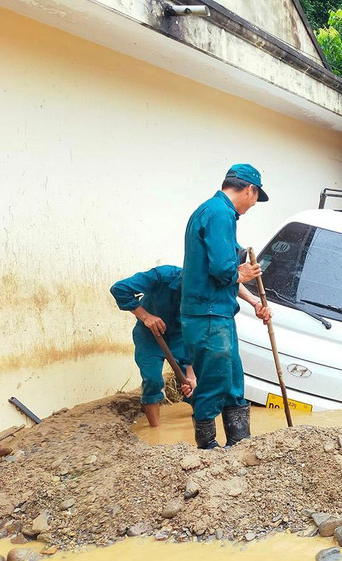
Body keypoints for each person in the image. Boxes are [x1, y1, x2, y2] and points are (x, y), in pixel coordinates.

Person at [181, 164, 273, 450]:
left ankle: (239, 445)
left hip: (218, 313)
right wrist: (242, 272)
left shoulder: (214, 212)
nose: (253, 204)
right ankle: (207, 451)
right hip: (208, 316)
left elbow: (226, 274)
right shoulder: (220, 213)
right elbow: (223, 270)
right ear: (250, 189)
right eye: (255, 197)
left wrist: (254, 299)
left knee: (233, 382)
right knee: (213, 384)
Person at [110, 265, 195, 428]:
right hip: (149, 335)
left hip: (181, 336)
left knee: (195, 382)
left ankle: (200, 424)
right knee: (152, 380)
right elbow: (119, 289)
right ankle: (155, 431)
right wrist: (146, 316)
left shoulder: (204, 292)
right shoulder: (162, 275)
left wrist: (191, 373)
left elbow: (197, 330)